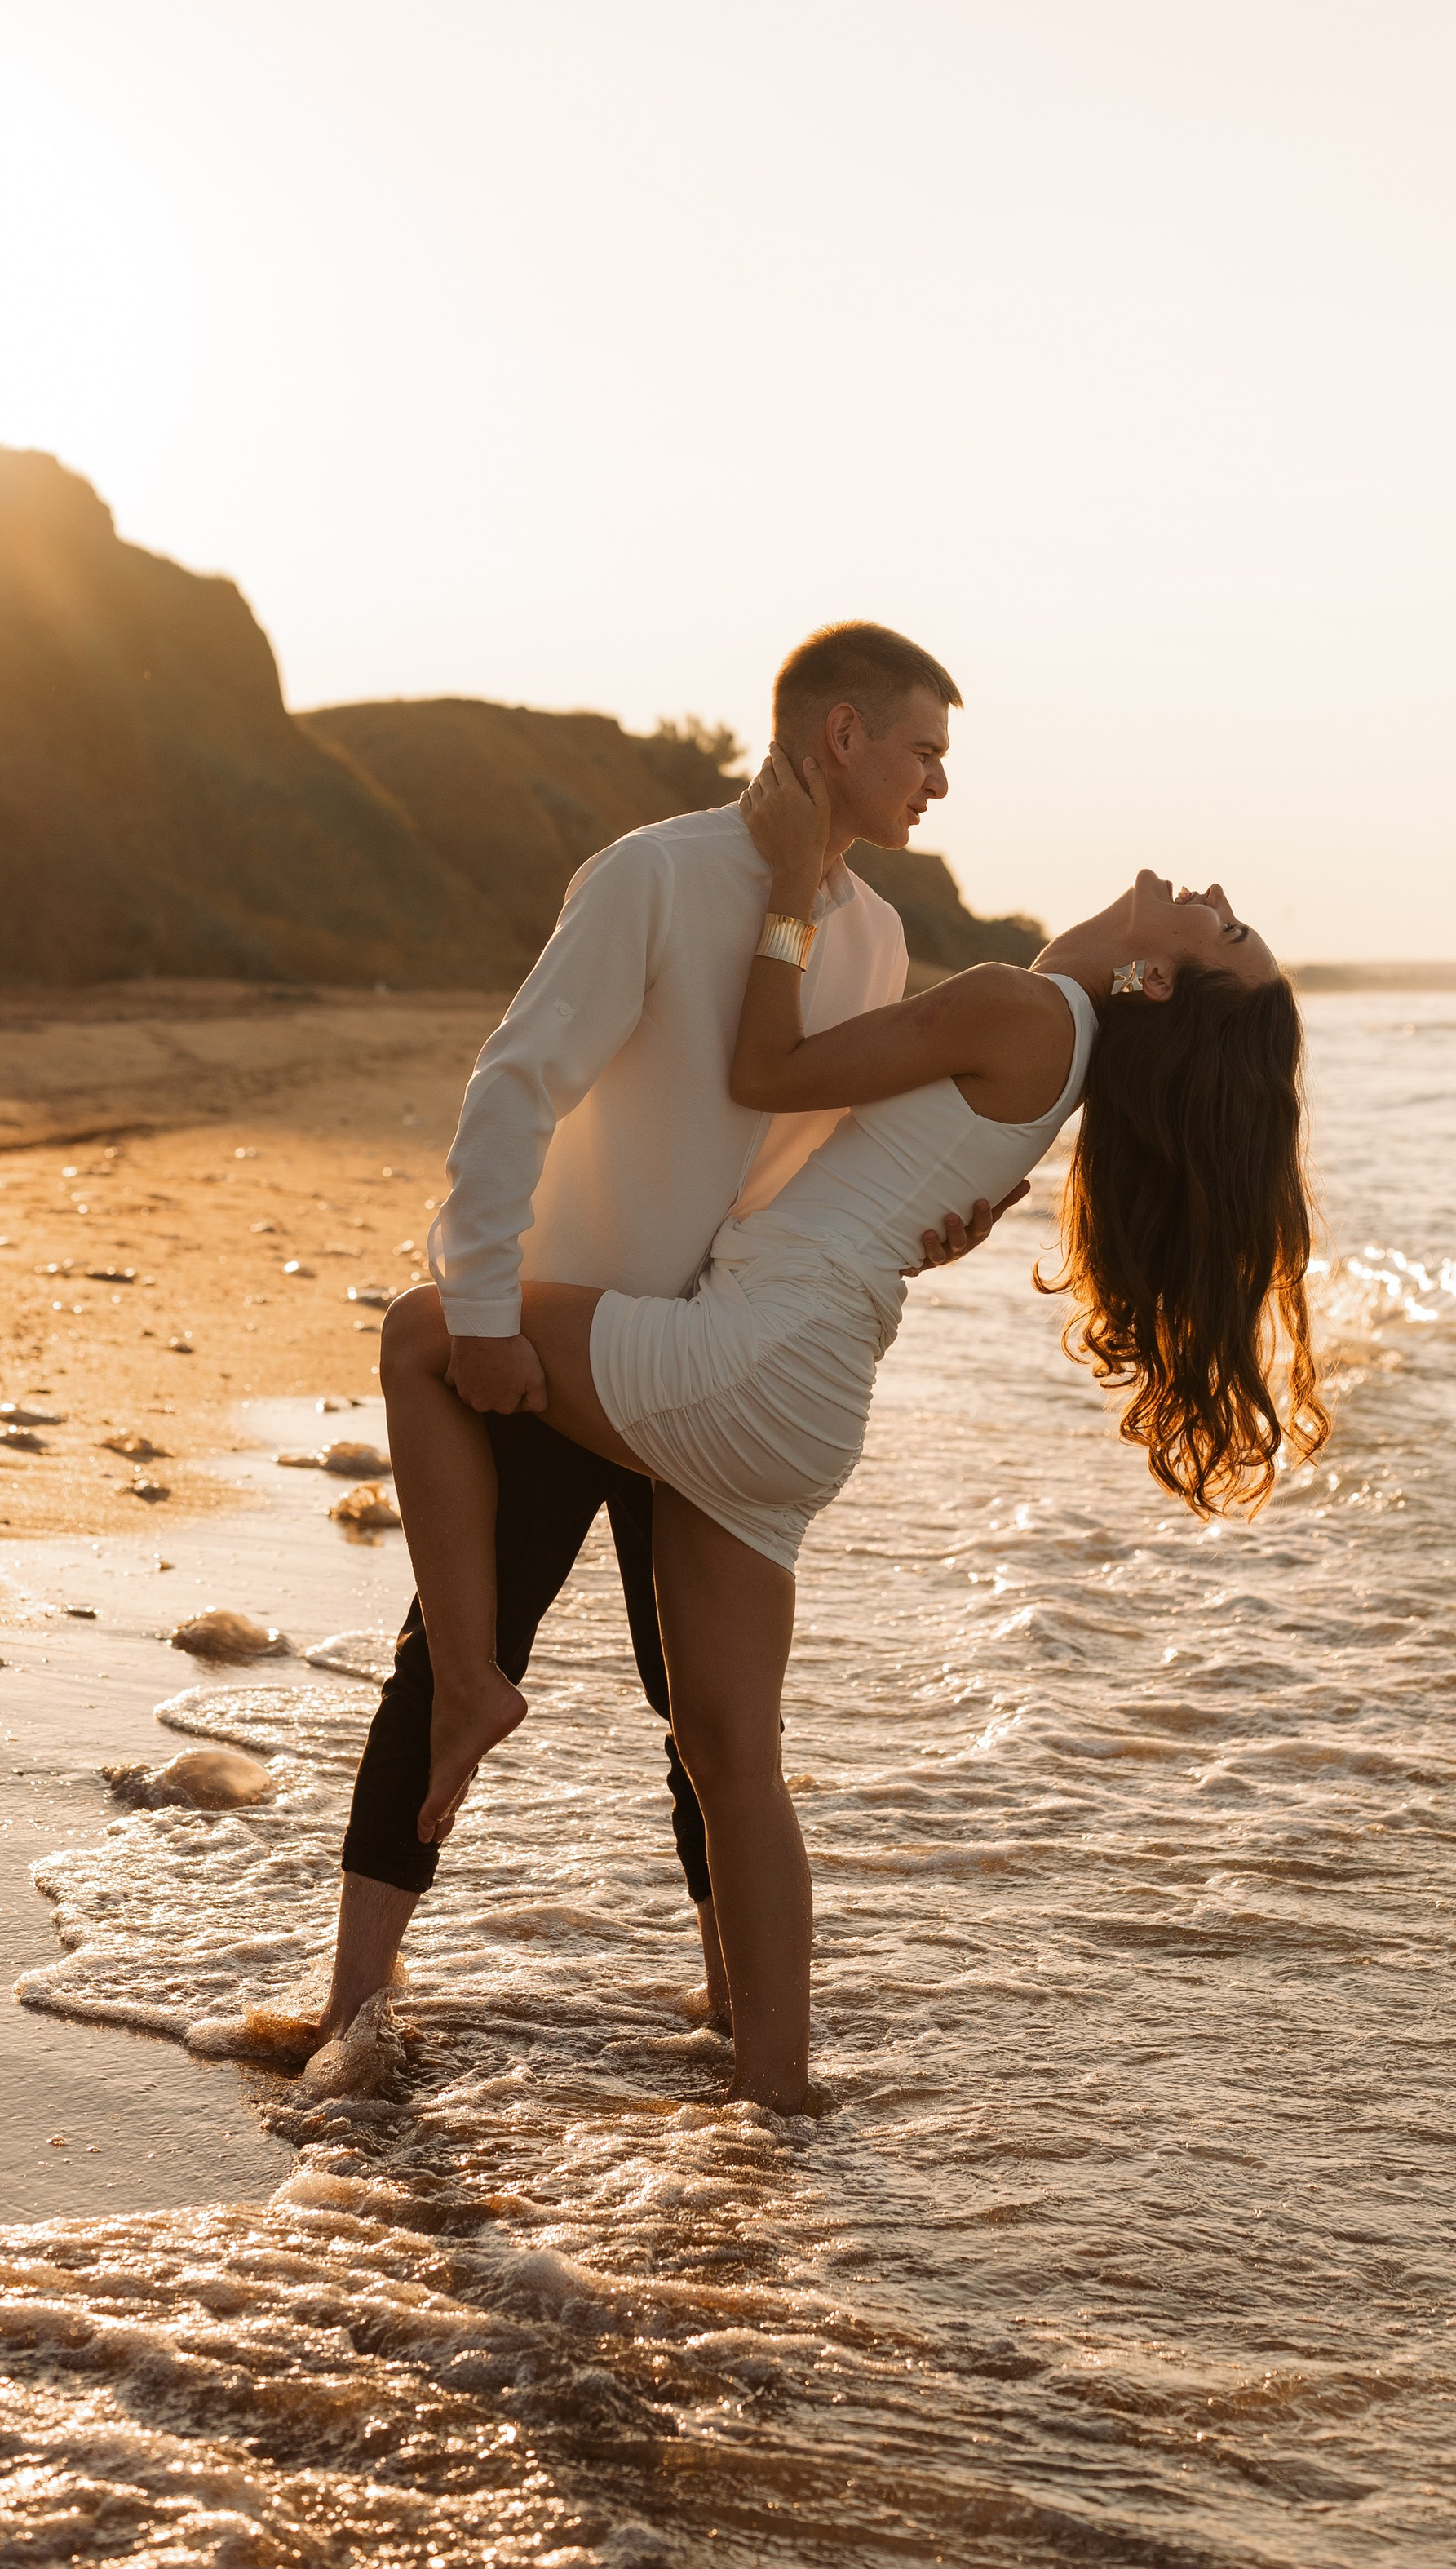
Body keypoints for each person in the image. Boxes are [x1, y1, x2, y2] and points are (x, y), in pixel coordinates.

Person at [379, 746, 1330, 2111]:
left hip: (754, 1353)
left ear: (1163, 982)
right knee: (732, 1759)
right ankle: (776, 2103)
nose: (1217, 892)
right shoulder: (1057, 1056)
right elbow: (894, 1192)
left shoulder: (1023, 1006)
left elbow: (767, 1067)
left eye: (1224, 927)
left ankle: (470, 1676)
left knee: (426, 1331)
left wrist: (785, 899)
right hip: (808, 1399)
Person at [316, 622, 1025, 2049]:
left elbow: (831, 1161)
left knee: (702, 1721)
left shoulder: (875, 935)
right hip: (555, 1346)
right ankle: (351, 2009)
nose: (939, 783)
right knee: (452, 1660)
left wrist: (942, 1225)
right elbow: (515, 1084)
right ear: (841, 735)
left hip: (706, 1364)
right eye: (924, 750)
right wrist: (493, 1311)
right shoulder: (653, 872)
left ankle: (727, 2009)